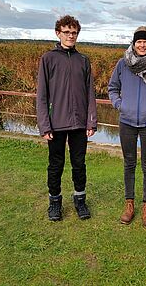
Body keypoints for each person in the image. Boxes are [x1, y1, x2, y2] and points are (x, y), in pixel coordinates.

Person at [108, 26, 146, 228]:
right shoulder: (123, 64)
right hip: (126, 122)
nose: (142, 45)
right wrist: (119, 104)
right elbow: (112, 88)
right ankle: (129, 205)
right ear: (133, 43)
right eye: (139, 41)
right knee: (128, 164)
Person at [36, 15, 97, 221]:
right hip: (56, 124)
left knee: (79, 164)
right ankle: (55, 203)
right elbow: (42, 95)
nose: (71, 36)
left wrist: (91, 121)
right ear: (58, 33)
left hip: (80, 123)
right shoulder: (48, 59)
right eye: (67, 32)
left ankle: (80, 200)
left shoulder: (83, 61)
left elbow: (90, 94)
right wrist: (45, 125)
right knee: (56, 165)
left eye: (74, 32)